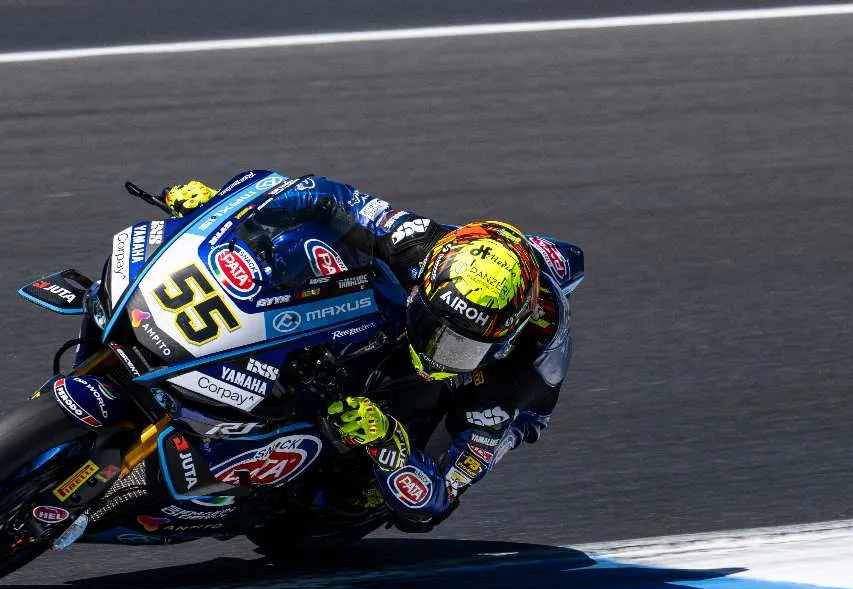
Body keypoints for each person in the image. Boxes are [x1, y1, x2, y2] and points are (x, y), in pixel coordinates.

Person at [161, 176, 574, 531]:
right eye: (433, 328)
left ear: (504, 339)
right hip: (439, 286)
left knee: (372, 490)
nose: (435, 352)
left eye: (458, 347)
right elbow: (319, 195)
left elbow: (434, 502)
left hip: (478, 393)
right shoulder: (420, 242)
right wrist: (226, 210)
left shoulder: (511, 389)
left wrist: (388, 441)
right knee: (310, 249)